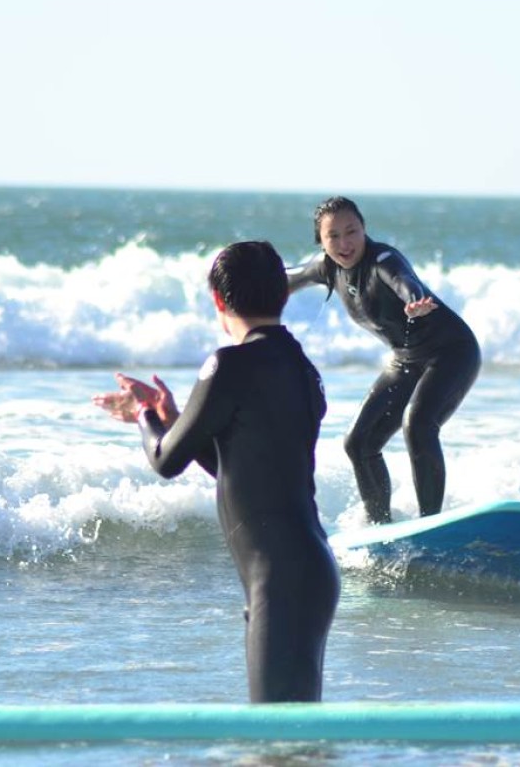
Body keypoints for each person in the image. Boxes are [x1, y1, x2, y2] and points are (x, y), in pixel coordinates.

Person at [94, 240, 340, 704]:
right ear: (283, 296)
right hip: (309, 569)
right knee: (294, 739)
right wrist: (170, 420)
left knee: (278, 741)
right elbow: (245, 465)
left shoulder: (227, 365)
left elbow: (166, 461)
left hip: (281, 578)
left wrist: (145, 415)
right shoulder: (302, 367)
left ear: (218, 300)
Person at [287, 196, 481, 525]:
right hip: (405, 360)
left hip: (451, 352)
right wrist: (246, 285)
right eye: (333, 236)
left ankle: (429, 524)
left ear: (364, 229)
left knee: (418, 425)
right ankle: (381, 528)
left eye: (352, 231)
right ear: (321, 241)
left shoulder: (383, 260)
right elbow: (287, 278)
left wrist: (416, 300)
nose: (345, 243)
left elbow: (405, 281)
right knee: (358, 443)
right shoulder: (327, 267)